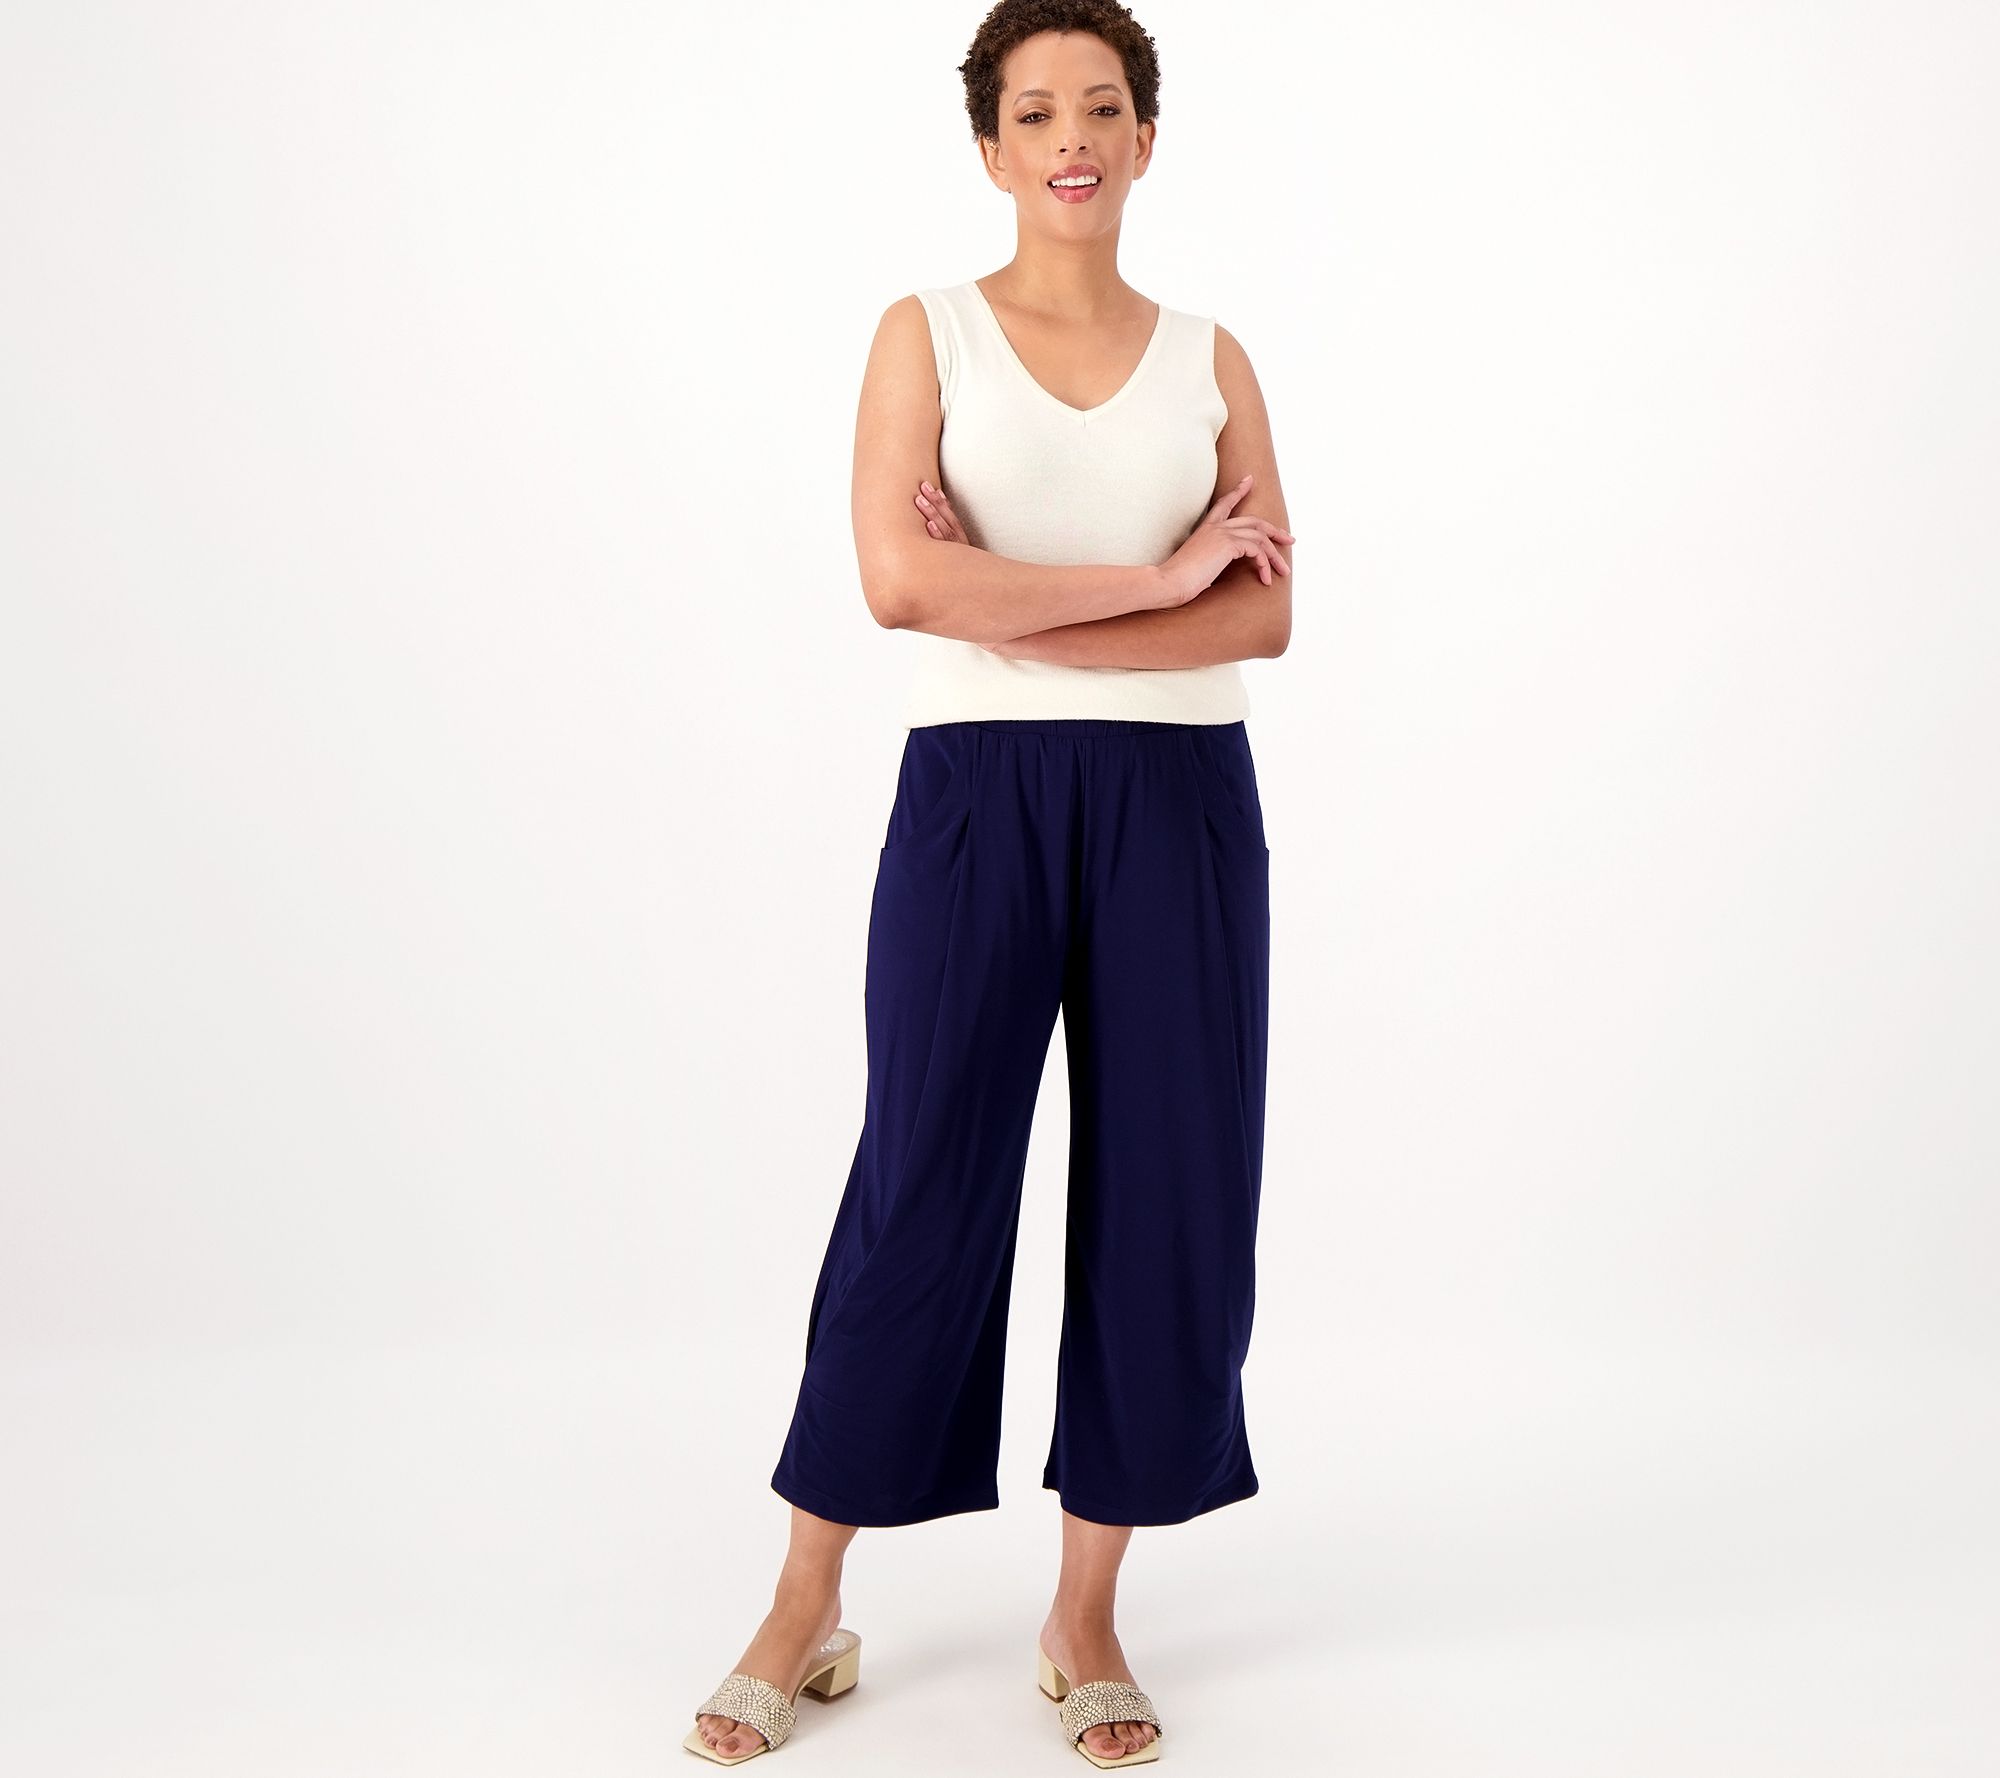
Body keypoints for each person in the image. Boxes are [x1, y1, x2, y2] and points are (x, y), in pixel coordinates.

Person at [686, 3, 1292, 1765]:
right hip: (977, 797)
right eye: (1036, 113)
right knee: (924, 1175)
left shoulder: (1213, 358)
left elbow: (1265, 616)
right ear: (991, 147)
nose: (1072, 138)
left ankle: (1083, 1612)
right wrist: (1159, 579)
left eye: (1103, 107)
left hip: (1182, 801)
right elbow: (898, 586)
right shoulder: (927, 334)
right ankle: (806, 1601)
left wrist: (1022, 604)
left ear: (1147, 137)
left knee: (1172, 1188)